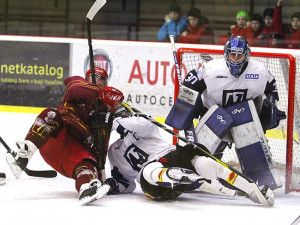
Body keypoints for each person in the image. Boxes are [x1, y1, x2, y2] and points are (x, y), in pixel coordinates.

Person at [165, 36, 286, 190]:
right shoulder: (210, 69)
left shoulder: (259, 71)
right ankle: (195, 178)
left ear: (247, 55)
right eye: (232, 55)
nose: (236, 59)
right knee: (202, 155)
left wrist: (271, 108)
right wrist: (188, 109)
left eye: (239, 55)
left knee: (251, 141)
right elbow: (190, 84)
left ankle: (261, 178)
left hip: (244, 118)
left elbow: (271, 88)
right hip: (215, 115)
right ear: (226, 54)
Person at [102, 106, 275, 206]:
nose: (125, 116)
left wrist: (116, 122)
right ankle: (178, 176)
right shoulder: (113, 151)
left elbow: (144, 126)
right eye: (121, 115)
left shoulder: (141, 121)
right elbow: (127, 184)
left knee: (205, 162)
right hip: (156, 188)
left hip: (171, 156)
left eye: (125, 114)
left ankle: (252, 190)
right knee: (149, 171)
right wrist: (111, 186)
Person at [6, 67, 124, 205]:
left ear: (106, 82)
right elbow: (74, 87)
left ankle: (86, 188)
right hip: (57, 141)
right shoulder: (77, 86)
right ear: (86, 79)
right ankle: (23, 156)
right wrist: (101, 92)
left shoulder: (108, 106)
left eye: (100, 78)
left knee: (87, 168)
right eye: (92, 77)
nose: (96, 80)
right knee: (50, 115)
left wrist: (117, 104)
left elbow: (129, 118)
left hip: (78, 153)